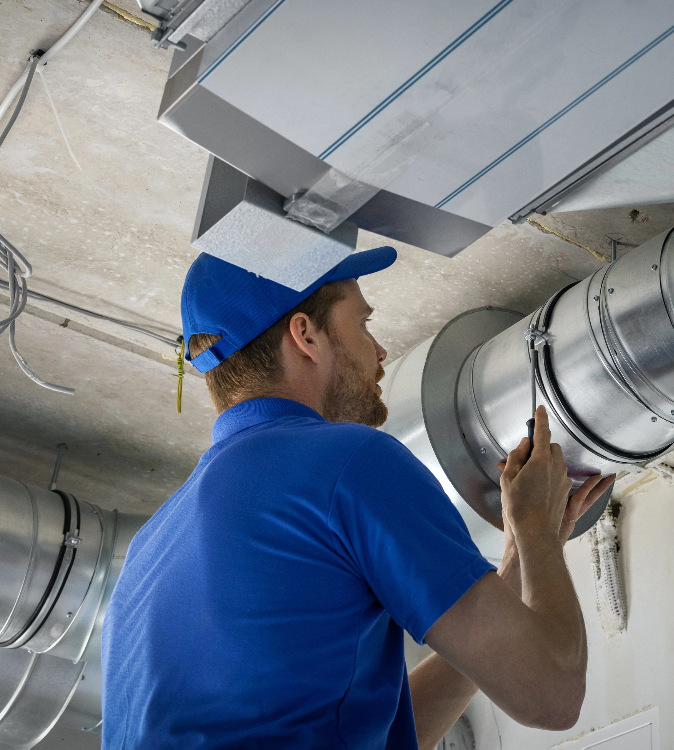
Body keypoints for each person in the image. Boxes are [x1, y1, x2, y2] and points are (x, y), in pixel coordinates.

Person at [101, 246, 614, 749]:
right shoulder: (348, 461)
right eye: (362, 324)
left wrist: (516, 565)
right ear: (305, 335)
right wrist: (540, 538)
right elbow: (553, 694)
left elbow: (376, 729)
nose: (381, 351)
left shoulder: (147, 552)